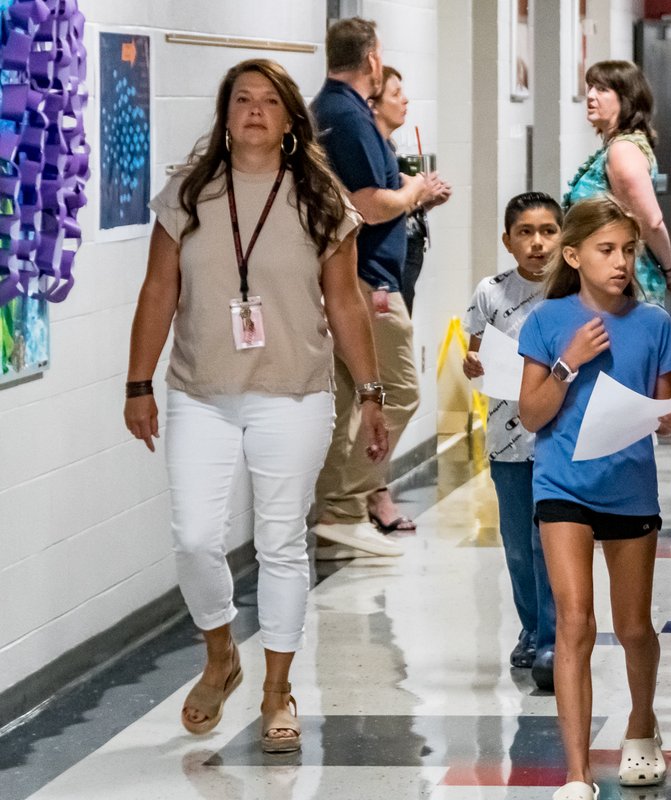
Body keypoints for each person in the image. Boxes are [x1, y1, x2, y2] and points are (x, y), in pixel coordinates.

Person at [123, 59, 388, 753]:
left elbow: (345, 302)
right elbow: (158, 290)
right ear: (226, 113)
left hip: (293, 391)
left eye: (269, 101)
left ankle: (277, 691)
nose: (254, 110)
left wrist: (371, 392)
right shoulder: (190, 192)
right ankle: (221, 652)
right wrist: (138, 383)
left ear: (290, 117)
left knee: (279, 542)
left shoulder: (320, 197)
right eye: (242, 99)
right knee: (194, 538)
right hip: (202, 392)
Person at [517, 197, 671, 800]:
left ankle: (641, 724)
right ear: (573, 256)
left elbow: (660, 410)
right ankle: (577, 772)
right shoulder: (547, 321)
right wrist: (568, 363)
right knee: (574, 621)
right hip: (562, 485)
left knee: (634, 626)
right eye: (607, 250)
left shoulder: (654, 324)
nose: (621, 262)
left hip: (629, 487)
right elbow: (532, 415)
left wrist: (670, 420)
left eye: (628, 251)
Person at [309, 18, 441, 556]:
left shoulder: (333, 110)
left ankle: (336, 516)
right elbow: (368, 205)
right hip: (368, 282)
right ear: (371, 60)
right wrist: (413, 193)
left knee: (348, 404)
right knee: (400, 391)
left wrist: (407, 188)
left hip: (357, 275)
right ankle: (345, 504)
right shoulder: (347, 116)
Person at [462, 192, 563, 688]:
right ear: (508, 240)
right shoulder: (491, 291)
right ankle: (531, 627)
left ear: (563, 237)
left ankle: (554, 635)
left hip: (559, 436)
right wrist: (471, 363)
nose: (537, 242)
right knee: (519, 543)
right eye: (525, 232)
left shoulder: (572, 290)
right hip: (507, 438)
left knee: (551, 541)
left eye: (548, 231)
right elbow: (474, 353)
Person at [564, 60, 671, 310]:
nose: (590, 96)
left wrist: (669, 268)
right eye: (590, 87)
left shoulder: (622, 151)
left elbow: (650, 222)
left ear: (627, 99)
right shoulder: (619, 146)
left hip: (627, 285)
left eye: (602, 89)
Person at [370, 64, 452, 312]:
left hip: (403, 263)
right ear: (373, 105)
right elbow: (373, 212)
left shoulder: (387, 148)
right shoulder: (370, 154)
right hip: (380, 273)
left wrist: (425, 201)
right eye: (395, 94)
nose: (405, 100)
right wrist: (418, 196)